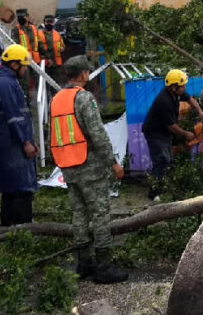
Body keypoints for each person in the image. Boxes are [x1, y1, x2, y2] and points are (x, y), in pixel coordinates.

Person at [49, 55, 128, 284]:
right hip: (89, 165)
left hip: (68, 166)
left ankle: (83, 263)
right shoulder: (84, 99)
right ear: (83, 74)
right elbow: (98, 134)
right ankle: (104, 267)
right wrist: (113, 163)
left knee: (79, 215)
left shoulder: (57, 99)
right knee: (100, 215)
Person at [0, 44, 39, 226]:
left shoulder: (5, 81)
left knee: (10, 189)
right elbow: (14, 116)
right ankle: (22, 230)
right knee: (20, 188)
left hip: (9, 142)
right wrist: (25, 142)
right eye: (24, 66)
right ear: (15, 65)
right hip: (11, 145)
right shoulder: (6, 83)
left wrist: (30, 140)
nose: (26, 70)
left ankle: (7, 229)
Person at [142, 69, 203, 201]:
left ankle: (164, 186)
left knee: (169, 159)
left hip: (165, 131)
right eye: (182, 86)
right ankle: (153, 193)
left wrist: (200, 111)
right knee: (161, 160)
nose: (184, 88)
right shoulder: (164, 101)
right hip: (155, 132)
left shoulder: (176, 93)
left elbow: (190, 99)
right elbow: (171, 126)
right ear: (173, 87)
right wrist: (186, 134)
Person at [13, 9, 40, 96]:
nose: (21, 19)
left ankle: (45, 105)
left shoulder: (33, 28)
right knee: (25, 84)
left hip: (35, 59)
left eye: (23, 17)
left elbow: (39, 43)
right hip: (23, 61)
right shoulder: (16, 30)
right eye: (19, 17)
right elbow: (15, 45)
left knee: (39, 82)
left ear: (28, 17)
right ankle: (27, 105)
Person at [38, 15, 66, 87]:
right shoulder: (39, 34)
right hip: (45, 64)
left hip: (56, 65)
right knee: (45, 86)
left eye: (51, 22)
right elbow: (40, 48)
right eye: (47, 22)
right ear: (44, 23)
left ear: (54, 23)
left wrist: (62, 48)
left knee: (56, 85)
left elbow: (63, 45)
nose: (49, 24)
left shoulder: (57, 34)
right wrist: (48, 59)